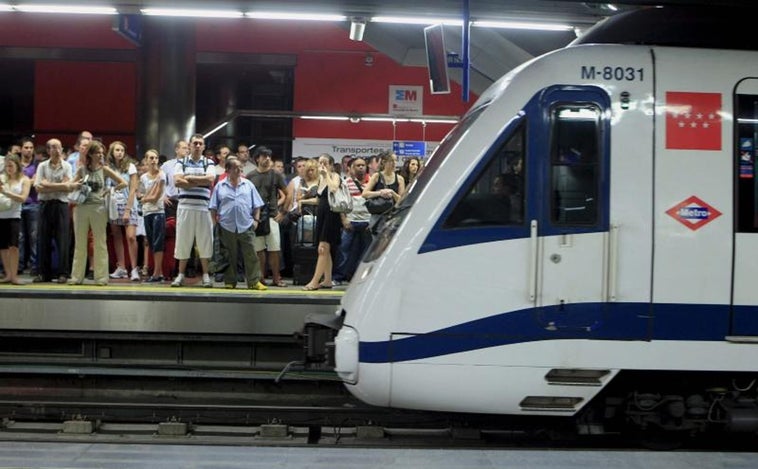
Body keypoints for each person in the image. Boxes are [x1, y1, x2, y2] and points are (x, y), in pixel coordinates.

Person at [68, 141, 126, 286]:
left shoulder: (104, 169)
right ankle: (76, 277)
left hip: (98, 208)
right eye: (97, 152)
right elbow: (70, 185)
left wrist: (109, 190)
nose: (100, 155)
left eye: (101, 152)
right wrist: (76, 185)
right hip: (81, 208)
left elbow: (123, 182)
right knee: (80, 243)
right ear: (91, 154)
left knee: (100, 243)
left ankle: (101, 277)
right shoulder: (82, 170)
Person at [209, 158, 267, 291]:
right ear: (227, 170)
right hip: (226, 226)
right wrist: (215, 223)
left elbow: (257, 205)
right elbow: (213, 207)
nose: (239, 170)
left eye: (240, 167)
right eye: (235, 167)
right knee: (229, 255)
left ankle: (253, 281)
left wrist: (256, 221)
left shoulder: (248, 185)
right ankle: (230, 281)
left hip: (246, 225)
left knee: (251, 254)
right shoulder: (220, 186)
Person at [171, 133, 215, 288]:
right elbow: (177, 181)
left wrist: (188, 178)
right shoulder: (181, 162)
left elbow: (210, 180)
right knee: (183, 241)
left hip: (203, 208)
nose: (197, 146)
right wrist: (198, 181)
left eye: (200, 143)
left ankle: (205, 275)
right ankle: (180, 275)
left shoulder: (208, 163)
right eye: (194, 143)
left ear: (203, 146)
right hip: (185, 207)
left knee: (205, 242)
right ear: (189, 146)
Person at [246, 146, 288, 287]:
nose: (268, 159)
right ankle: (260, 278)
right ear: (257, 158)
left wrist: (283, 212)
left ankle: (276, 278)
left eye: (269, 156)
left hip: (272, 216)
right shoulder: (250, 176)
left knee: (274, 249)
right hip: (256, 217)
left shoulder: (275, 174)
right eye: (264, 156)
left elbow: (288, 193)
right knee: (258, 250)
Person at [34, 138, 74, 283]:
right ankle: (43, 273)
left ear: (62, 150)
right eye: (53, 147)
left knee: (62, 240)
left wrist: (48, 185)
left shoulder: (67, 166)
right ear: (48, 150)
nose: (56, 150)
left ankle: (63, 273)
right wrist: (60, 185)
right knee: (43, 239)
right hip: (45, 204)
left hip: (61, 205)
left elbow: (68, 187)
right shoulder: (42, 166)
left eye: (59, 147)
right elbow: (38, 187)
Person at [302, 154, 342, 291]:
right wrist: (303, 201)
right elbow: (319, 200)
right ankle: (327, 280)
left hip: (332, 216)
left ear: (331, 165)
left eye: (325, 163)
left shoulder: (334, 176)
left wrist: (326, 176)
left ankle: (314, 281)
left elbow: (334, 189)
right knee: (326, 250)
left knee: (323, 248)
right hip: (322, 214)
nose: (322, 166)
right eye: (320, 163)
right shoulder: (319, 180)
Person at [332, 157, 372, 285]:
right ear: (352, 168)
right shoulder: (345, 183)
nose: (361, 167)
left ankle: (362, 278)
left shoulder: (372, 182)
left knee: (367, 252)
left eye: (363, 165)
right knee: (343, 250)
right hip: (351, 220)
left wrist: (372, 222)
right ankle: (338, 277)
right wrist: (344, 220)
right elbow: (341, 203)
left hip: (367, 221)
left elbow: (375, 203)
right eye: (358, 165)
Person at [106, 141, 141, 281]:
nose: (119, 152)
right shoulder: (109, 167)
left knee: (131, 237)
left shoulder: (130, 166)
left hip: (129, 204)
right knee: (116, 236)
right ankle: (121, 267)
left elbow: (133, 189)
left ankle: (134, 269)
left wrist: (128, 209)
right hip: (114, 204)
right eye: (117, 150)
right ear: (112, 152)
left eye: (121, 150)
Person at [0, 155, 31, 285]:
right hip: (1, 215)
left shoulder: (24, 179)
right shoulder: (2, 178)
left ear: (18, 165)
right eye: (7, 166)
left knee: (14, 246)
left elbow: (23, 198)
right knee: (2, 247)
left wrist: (6, 193)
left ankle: (14, 276)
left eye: (11, 166)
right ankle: (8, 274)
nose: (9, 168)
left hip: (14, 215)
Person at [139, 149, 166, 283]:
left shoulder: (161, 175)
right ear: (146, 160)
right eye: (151, 158)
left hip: (158, 212)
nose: (154, 160)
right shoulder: (143, 177)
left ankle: (156, 274)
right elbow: (140, 193)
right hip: (146, 212)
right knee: (151, 242)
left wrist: (144, 199)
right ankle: (159, 272)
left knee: (158, 243)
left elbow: (155, 197)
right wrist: (144, 198)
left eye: (155, 158)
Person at [362, 150, 405, 227]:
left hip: (393, 216)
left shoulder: (399, 179)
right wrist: (380, 193)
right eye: (391, 161)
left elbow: (401, 201)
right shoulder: (376, 176)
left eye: (395, 160)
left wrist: (392, 192)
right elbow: (365, 194)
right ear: (384, 162)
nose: (394, 163)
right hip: (377, 216)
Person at [18, 137, 39, 276]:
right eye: (26, 147)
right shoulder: (16, 164)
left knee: (33, 236)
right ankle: (19, 265)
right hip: (17, 204)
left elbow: (35, 181)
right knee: (19, 237)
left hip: (33, 204)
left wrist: (22, 183)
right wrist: (28, 182)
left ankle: (34, 265)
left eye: (31, 147)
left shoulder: (37, 165)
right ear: (21, 149)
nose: (29, 150)